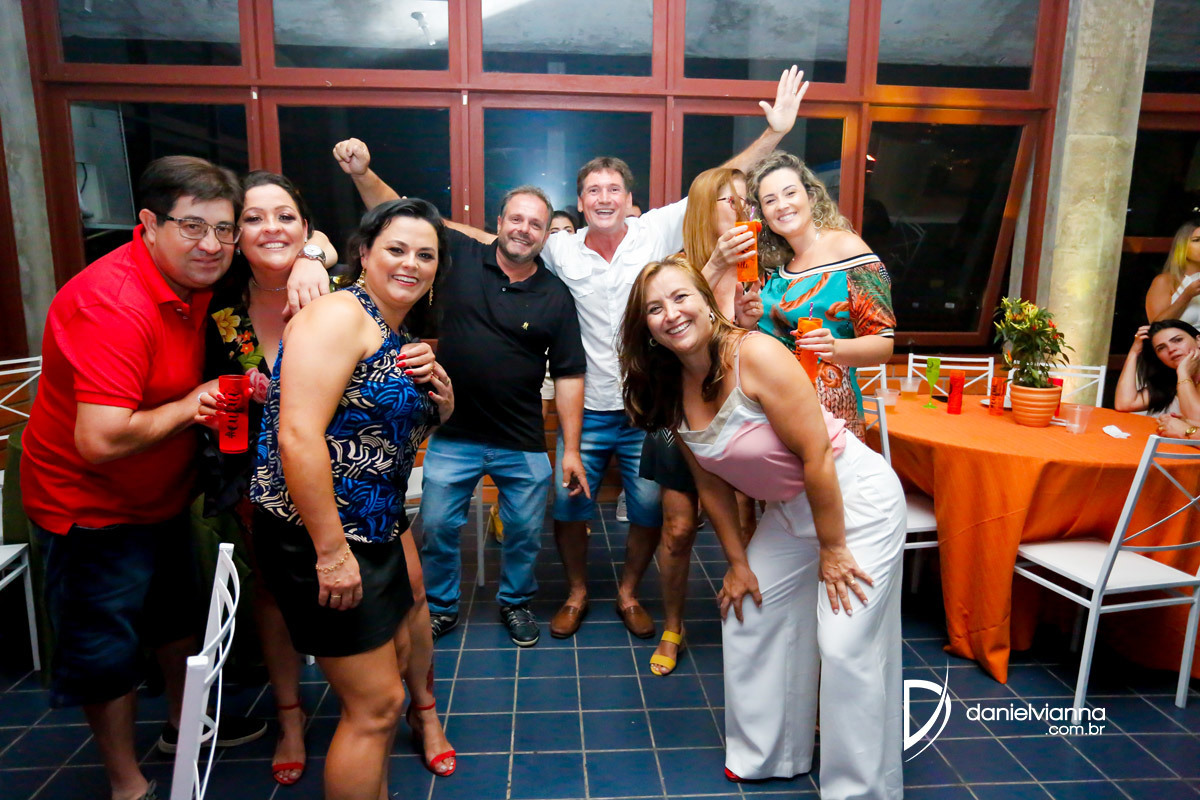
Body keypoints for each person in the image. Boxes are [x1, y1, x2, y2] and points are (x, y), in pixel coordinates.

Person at [329, 66, 811, 641]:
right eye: (593, 191)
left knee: (648, 511)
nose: (604, 198)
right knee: (568, 506)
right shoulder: (558, 248)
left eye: (614, 190)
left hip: (647, 409)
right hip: (588, 409)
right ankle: (578, 592)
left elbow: (718, 183)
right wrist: (363, 177)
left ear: (630, 200)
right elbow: (432, 225)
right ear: (580, 203)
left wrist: (775, 133)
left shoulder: (656, 231)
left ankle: (629, 593)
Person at [20, 156, 266, 800]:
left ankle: (186, 728)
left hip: (161, 496)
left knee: (174, 618)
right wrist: (194, 403)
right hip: (90, 506)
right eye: (193, 227)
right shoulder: (112, 303)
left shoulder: (199, 279)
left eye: (224, 229)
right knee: (105, 651)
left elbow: (290, 244)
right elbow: (100, 440)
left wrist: (312, 262)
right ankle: (126, 783)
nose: (212, 245)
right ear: (150, 224)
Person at [197, 171, 453, 783]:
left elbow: (378, 424)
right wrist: (333, 553)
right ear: (363, 253)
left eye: (425, 255)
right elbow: (296, 435)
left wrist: (441, 400)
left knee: (386, 686)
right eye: (396, 249)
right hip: (324, 534)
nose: (411, 264)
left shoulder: (389, 325)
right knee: (375, 707)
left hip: (375, 528)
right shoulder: (337, 316)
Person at [620, 255, 905, 798]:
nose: (671, 314)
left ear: (707, 301)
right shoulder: (669, 383)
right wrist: (738, 564)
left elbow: (816, 455)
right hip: (791, 512)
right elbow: (709, 482)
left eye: (680, 297)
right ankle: (768, 753)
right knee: (747, 610)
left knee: (843, 644)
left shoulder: (755, 354)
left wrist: (833, 549)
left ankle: (860, 789)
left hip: (855, 502)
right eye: (654, 308)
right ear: (646, 327)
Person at [334, 141, 589, 648]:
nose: (524, 229)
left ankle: (515, 602)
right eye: (516, 219)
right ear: (500, 222)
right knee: (437, 528)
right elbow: (400, 213)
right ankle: (443, 606)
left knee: (523, 533)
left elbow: (569, 374)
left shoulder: (556, 296)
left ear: (546, 235)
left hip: (522, 439)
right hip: (454, 433)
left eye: (536, 224)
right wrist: (363, 173)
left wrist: (572, 449)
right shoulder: (460, 257)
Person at [640, 166, 759, 675]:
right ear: (705, 208)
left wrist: (751, 323)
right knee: (679, 527)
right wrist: (713, 266)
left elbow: (751, 349)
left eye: (747, 201)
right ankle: (673, 626)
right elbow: (654, 339)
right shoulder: (678, 266)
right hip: (680, 414)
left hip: (737, 416)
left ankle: (750, 627)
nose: (743, 210)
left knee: (746, 522)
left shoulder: (758, 268)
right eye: (730, 201)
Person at [744, 152, 896, 438]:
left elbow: (883, 345)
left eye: (790, 193)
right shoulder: (778, 266)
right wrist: (747, 320)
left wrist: (835, 348)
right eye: (770, 200)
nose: (782, 205)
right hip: (774, 410)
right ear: (763, 214)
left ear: (811, 197)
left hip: (830, 413)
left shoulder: (847, 250)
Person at [1114, 320, 1200, 424]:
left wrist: (1183, 373)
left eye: (1178, 340)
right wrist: (1134, 352)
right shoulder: (1171, 380)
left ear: (1198, 340)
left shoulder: (1182, 375)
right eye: (1161, 348)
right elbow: (1124, 403)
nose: (1171, 349)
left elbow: (1196, 420)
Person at [1144, 219, 1200, 324]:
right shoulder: (1165, 281)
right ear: (1182, 245)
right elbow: (1157, 327)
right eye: (1196, 240)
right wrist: (1186, 296)